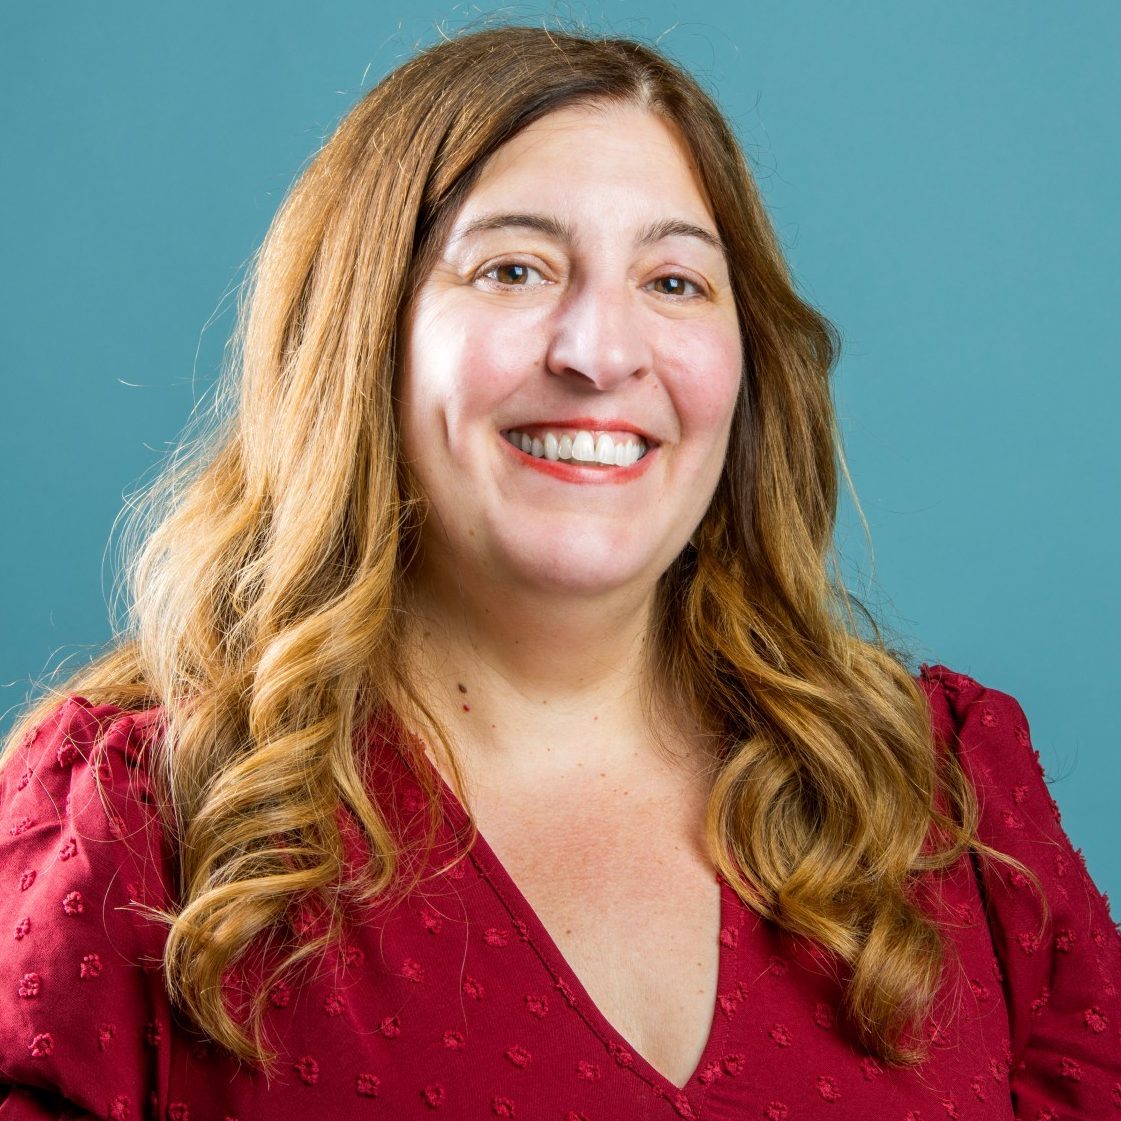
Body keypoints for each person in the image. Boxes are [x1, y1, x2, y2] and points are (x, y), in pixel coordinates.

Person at [1, 24, 1117, 1121]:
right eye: (513, 268)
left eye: (673, 281)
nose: (599, 350)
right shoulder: (135, 825)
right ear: (361, 340)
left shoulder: (945, 805)